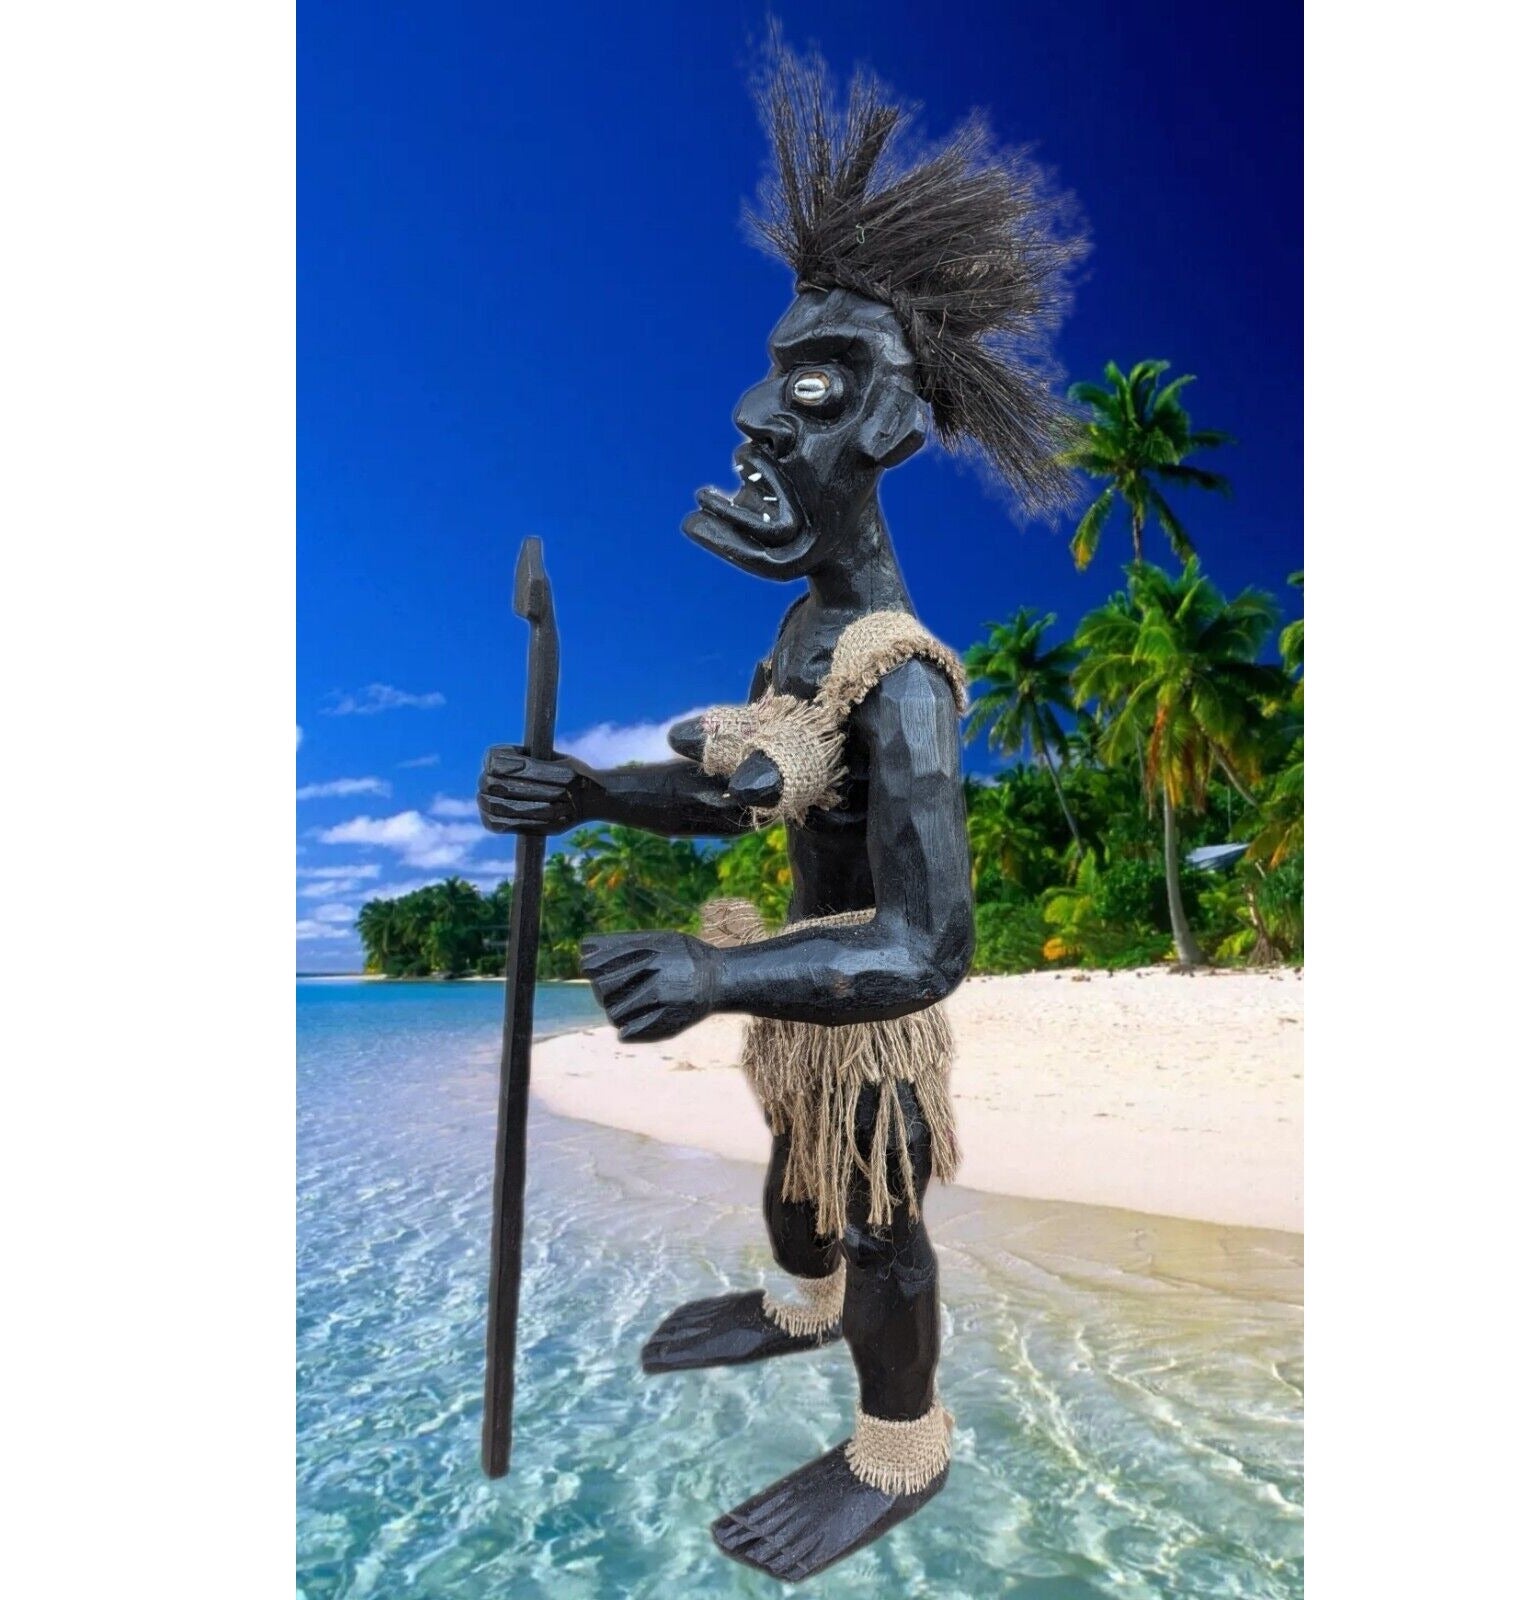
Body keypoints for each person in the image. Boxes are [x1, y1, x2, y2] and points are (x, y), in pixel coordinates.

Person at [479, 34, 1085, 1581]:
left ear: (882, 429)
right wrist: (594, 789)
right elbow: (737, 796)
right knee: (793, 1179)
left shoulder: (905, 677)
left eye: (812, 389)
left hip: (861, 1008)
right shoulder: (800, 646)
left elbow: (932, 942)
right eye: (772, 374)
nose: (757, 415)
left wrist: (715, 975)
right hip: (802, 1003)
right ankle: (793, 1309)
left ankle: (901, 1448)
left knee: (878, 1207)